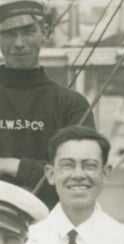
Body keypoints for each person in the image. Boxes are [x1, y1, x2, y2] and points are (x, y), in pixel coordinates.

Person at [0, 0, 93, 209]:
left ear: (45, 32)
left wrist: (13, 166)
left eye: (28, 32)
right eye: (8, 34)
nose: (19, 42)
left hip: (50, 229)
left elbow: (81, 177)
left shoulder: (71, 104)